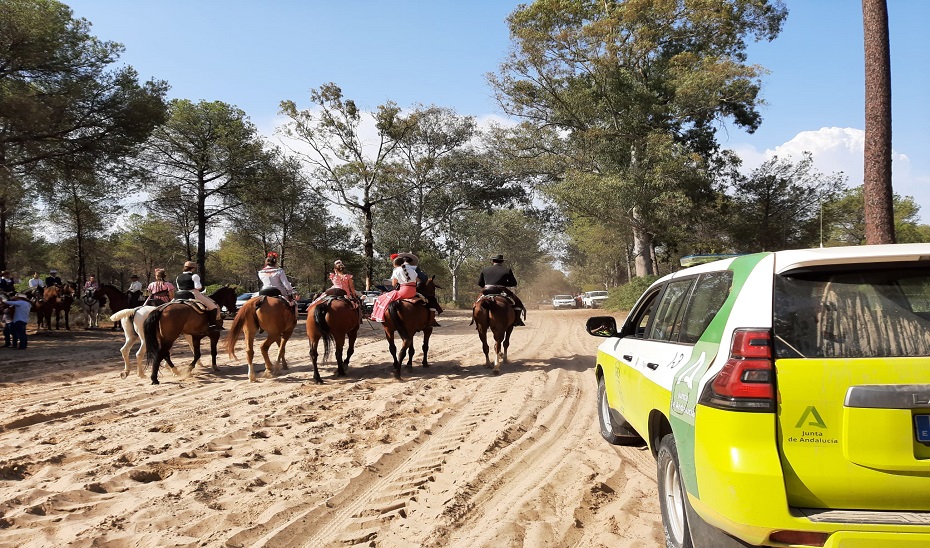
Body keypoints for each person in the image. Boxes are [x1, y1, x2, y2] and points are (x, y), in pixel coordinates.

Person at [477, 254, 526, 326]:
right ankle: (517, 320)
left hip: (486, 290)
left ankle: (475, 319)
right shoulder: (507, 270)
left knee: (476, 303)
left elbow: (480, 283)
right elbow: (514, 283)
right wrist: (503, 284)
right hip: (501, 289)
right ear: (502, 261)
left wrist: (486, 286)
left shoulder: (485, 269)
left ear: (493, 261)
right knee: (518, 302)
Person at [370, 255, 419, 322]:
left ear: (394, 264)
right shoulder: (412, 270)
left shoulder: (396, 271)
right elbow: (416, 280)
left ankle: (377, 316)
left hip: (403, 292)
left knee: (381, 298)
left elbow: (393, 284)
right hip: (413, 291)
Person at [176, 261, 222, 329]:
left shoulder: (178, 277)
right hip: (193, 295)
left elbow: (178, 287)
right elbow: (198, 287)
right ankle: (212, 324)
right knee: (213, 307)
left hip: (179, 295)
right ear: (193, 268)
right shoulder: (194, 276)